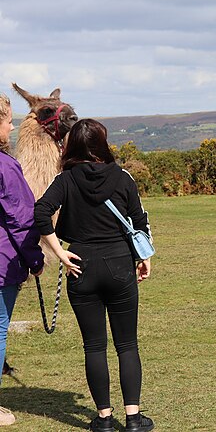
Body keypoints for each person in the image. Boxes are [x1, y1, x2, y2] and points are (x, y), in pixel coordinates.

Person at [34, 119, 154, 432]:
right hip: (119, 262)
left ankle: (103, 419)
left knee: (94, 347)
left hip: (81, 264)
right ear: (102, 144)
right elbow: (139, 219)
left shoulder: (65, 179)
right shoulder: (123, 176)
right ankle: (133, 418)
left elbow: (40, 212)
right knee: (127, 345)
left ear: (72, 145)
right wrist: (144, 258)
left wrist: (59, 253)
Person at [0, 94, 45, 427]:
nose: (11, 126)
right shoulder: (6, 167)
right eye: (8, 120)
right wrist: (35, 258)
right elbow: (21, 218)